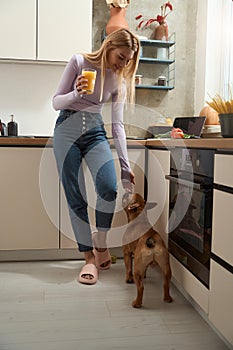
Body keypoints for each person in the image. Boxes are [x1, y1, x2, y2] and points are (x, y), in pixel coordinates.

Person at [52, 28, 140, 284]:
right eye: (121, 56)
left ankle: (100, 242)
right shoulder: (79, 62)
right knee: (75, 195)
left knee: (108, 188)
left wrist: (124, 166)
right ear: (109, 45)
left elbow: (118, 126)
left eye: (127, 60)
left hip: (94, 132)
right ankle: (88, 258)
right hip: (66, 129)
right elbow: (56, 102)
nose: (123, 63)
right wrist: (76, 94)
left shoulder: (117, 80)